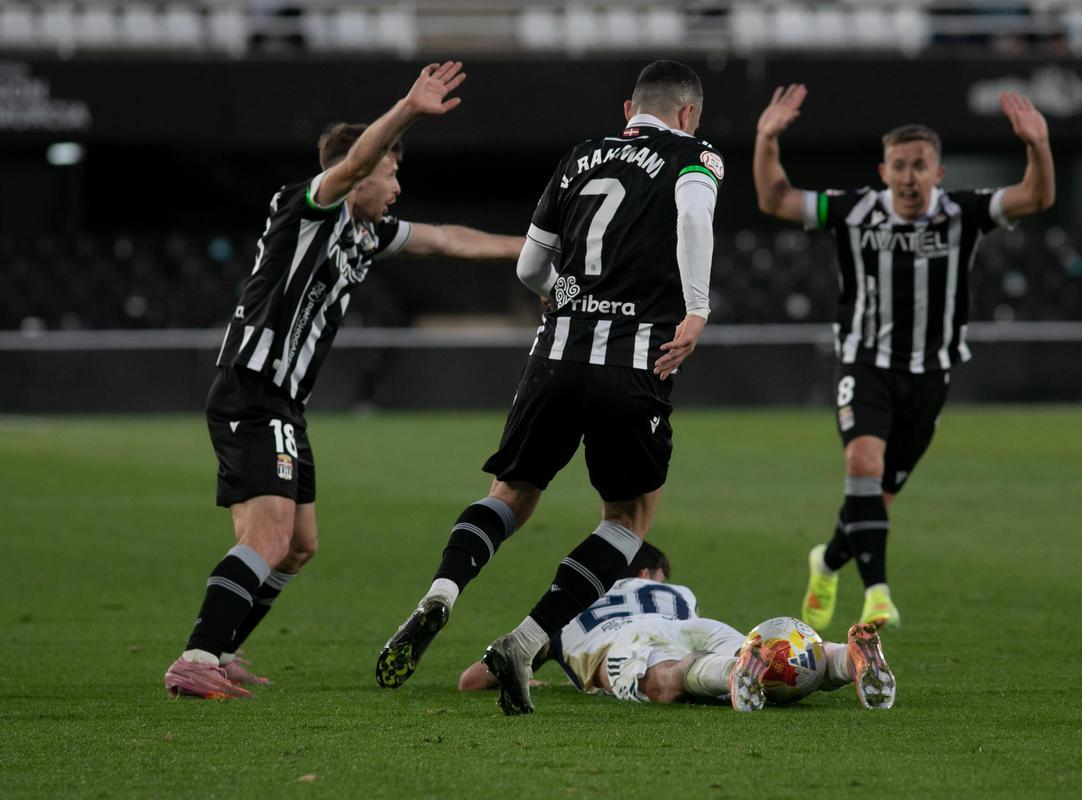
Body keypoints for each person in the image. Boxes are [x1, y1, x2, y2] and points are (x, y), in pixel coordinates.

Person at [164, 61, 526, 700]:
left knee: (299, 545)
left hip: (281, 402)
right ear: (356, 171)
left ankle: (219, 648)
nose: (395, 186)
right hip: (254, 389)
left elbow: (447, 240)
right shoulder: (310, 207)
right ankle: (195, 657)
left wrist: (534, 249)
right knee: (270, 537)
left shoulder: (366, 232)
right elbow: (357, 163)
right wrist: (409, 108)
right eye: (391, 172)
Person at [375, 60, 723, 715]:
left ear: (629, 109)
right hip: (632, 363)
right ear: (688, 114)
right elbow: (696, 218)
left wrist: (564, 298)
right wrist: (697, 308)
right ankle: (527, 639)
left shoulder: (579, 157)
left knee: (510, 494)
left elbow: (532, 266)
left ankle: (444, 591)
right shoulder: (695, 154)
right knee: (627, 519)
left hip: (554, 356)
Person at [753, 86, 1055, 631]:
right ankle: (877, 596)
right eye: (900, 166)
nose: (910, 176)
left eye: (920, 166)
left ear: (938, 173)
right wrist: (766, 138)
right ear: (884, 171)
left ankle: (825, 562)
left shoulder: (963, 213)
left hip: (930, 374)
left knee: (876, 500)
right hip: (865, 363)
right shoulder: (853, 212)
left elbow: (1035, 197)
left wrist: (1038, 146)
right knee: (862, 467)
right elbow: (776, 199)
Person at [456, 542, 896, 711]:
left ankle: (733, 673)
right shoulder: (677, 593)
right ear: (649, 574)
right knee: (770, 658)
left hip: (621, 639)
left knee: (662, 680)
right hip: (693, 624)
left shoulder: (566, 608)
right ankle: (842, 658)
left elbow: (473, 679)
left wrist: (523, 671)